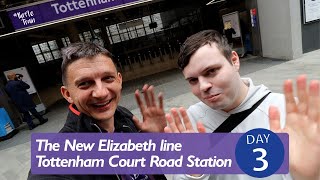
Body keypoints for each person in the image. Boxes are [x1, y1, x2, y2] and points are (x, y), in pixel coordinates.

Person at [163, 29, 320, 180]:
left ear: (234, 60)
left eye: (211, 71)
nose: (203, 86)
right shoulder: (189, 124)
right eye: (193, 80)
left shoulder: (288, 113)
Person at [27, 42, 167, 180]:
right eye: (85, 83)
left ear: (119, 80)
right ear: (67, 94)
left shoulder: (124, 117)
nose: (101, 93)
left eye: (108, 78)